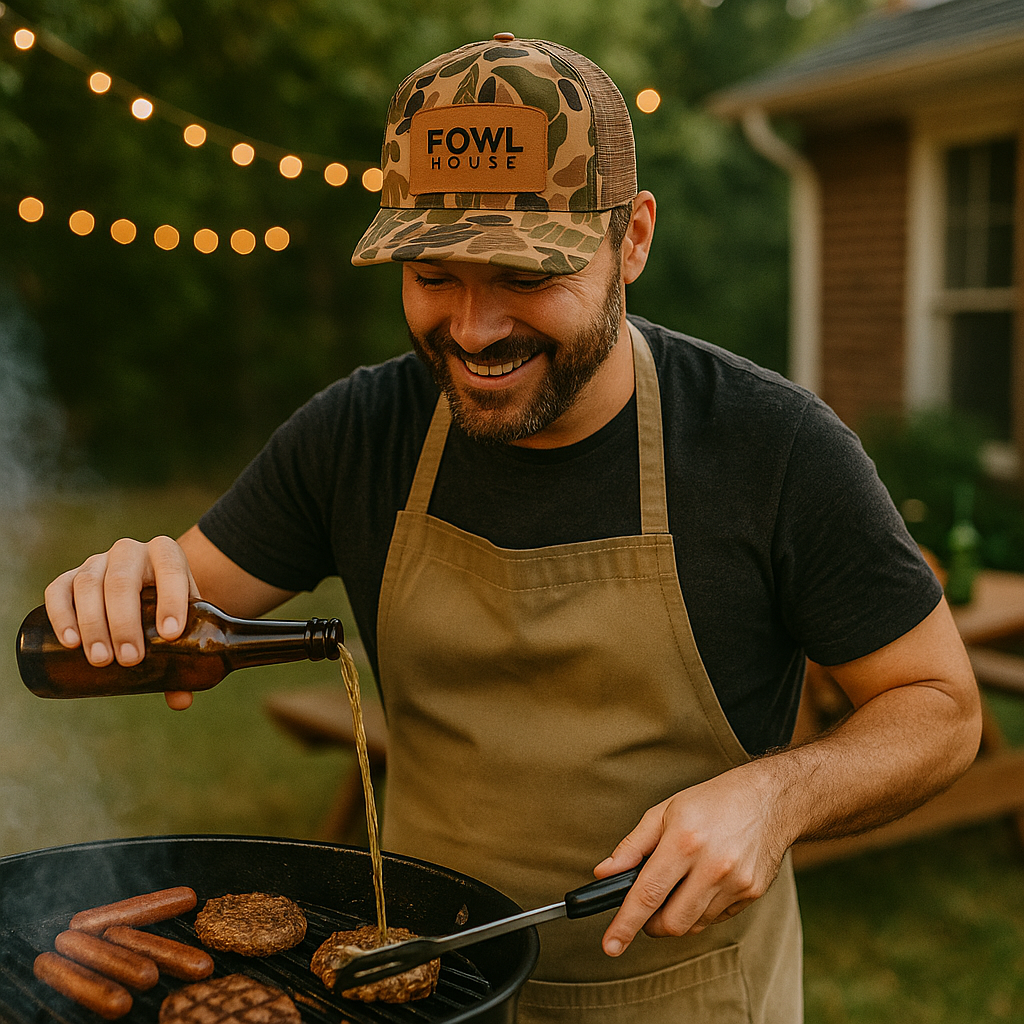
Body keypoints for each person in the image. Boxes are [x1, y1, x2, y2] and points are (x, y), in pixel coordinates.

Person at [43, 34, 980, 1023]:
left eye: (524, 274)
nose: (474, 328)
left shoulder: (771, 449)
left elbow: (940, 708)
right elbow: (168, 616)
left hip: (681, 994)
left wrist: (775, 795)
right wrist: (122, 593)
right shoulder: (360, 434)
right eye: (433, 274)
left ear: (632, 239)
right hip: (423, 988)